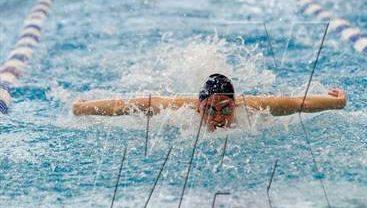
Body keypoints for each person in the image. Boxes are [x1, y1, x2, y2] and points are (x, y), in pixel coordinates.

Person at [73, 74, 347, 131]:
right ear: (198, 106)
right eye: (210, 109)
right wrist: (83, 108)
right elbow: (126, 106)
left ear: (235, 105)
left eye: (225, 109)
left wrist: (336, 103)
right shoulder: (177, 108)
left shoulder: (250, 107)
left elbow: (298, 103)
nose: (218, 117)